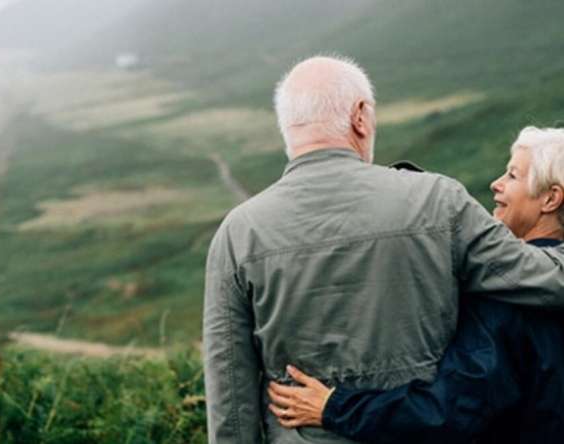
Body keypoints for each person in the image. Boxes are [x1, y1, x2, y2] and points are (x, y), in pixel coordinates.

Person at [202, 55, 564, 444]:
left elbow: (231, 396)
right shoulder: (437, 201)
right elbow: (547, 279)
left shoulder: (237, 233)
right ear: (360, 116)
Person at [267, 126, 564, 443]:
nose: (497, 184)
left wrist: (334, 407)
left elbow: (451, 411)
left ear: (551, 198)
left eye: (513, 176)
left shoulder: (504, 296)